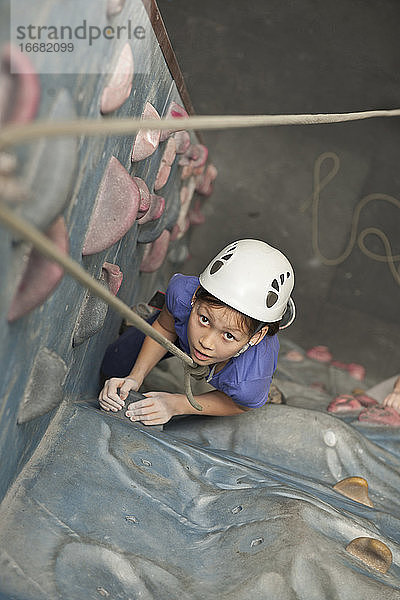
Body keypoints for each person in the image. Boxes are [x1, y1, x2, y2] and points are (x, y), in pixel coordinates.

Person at [98, 239, 295, 425]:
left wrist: (176, 404)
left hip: (234, 363)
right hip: (180, 326)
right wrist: (135, 376)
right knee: (114, 364)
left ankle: (266, 391)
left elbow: (239, 405)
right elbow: (165, 328)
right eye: (205, 319)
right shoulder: (181, 294)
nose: (206, 342)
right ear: (195, 296)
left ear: (256, 337)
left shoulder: (248, 378)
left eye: (228, 335)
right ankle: (149, 318)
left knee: (243, 394)